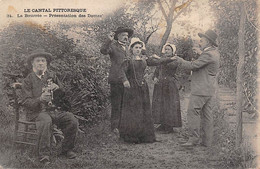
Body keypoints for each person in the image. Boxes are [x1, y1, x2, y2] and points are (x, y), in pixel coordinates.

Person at [22, 49, 79, 164]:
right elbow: (25, 101)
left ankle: (67, 149)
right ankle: (44, 155)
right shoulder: (28, 80)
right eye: (38, 61)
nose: (41, 63)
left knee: (71, 120)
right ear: (32, 63)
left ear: (46, 63)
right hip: (36, 113)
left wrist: (57, 87)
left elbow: (63, 93)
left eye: (43, 61)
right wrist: (40, 99)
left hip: (53, 110)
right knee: (46, 120)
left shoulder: (51, 76)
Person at [119, 38, 175, 143]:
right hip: (131, 87)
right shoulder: (128, 60)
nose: (138, 50)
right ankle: (131, 136)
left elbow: (158, 61)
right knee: (133, 110)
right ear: (131, 48)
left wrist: (171, 59)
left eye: (140, 48)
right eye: (136, 47)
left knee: (143, 110)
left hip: (142, 88)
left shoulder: (145, 59)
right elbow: (121, 71)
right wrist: (125, 80)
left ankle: (143, 135)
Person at [173, 30, 220, 147]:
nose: (199, 43)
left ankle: (193, 139)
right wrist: (200, 54)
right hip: (209, 89)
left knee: (193, 113)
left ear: (208, 42)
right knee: (207, 115)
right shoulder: (214, 53)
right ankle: (207, 141)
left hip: (200, 89)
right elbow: (205, 65)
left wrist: (179, 60)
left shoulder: (208, 54)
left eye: (202, 40)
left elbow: (193, 66)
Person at [100, 27, 133, 133]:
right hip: (116, 79)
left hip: (126, 79)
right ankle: (114, 127)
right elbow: (103, 51)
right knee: (116, 104)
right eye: (123, 35)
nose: (125, 37)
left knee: (125, 103)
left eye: (127, 36)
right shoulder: (113, 46)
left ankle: (123, 125)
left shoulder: (128, 48)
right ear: (118, 36)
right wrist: (108, 40)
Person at [152, 43, 181, 134]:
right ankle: (163, 124)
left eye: (169, 49)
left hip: (169, 84)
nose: (167, 51)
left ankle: (169, 126)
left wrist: (159, 59)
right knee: (161, 104)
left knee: (169, 104)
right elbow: (157, 70)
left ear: (173, 51)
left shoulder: (174, 60)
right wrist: (155, 77)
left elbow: (169, 66)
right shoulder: (163, 59)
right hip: (160, 84)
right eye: (166, 49)